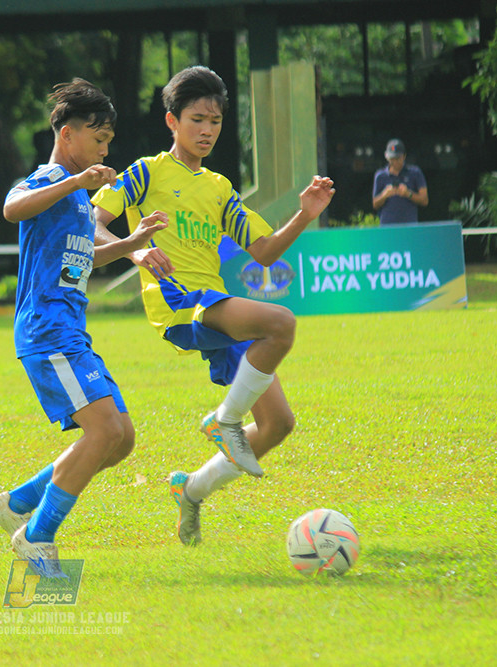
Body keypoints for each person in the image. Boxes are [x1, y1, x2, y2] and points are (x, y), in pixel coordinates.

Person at [90, 66, 335, 546]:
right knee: (280, 323)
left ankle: (192, 490)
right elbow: (93, 223)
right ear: (172, 121)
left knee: (277, 424)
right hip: (181, 302)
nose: (207, 130)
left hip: (214, 304)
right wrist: (135, 248)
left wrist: (304, 216)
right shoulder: (147, 171)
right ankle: (224, 420)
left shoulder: (220, 188)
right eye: (197, 119)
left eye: (216, 121)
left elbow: (263, 251)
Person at [0, 79, 169, 577]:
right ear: (67, 135)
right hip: (47, 332)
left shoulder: (76, 197)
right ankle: (37, 535)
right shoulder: (49, 179)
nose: (105, 150)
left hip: (70, 331)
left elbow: (83, 257)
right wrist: (75, 182)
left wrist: (134, 241)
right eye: (98, 138)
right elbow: (11, 207)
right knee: (106, 429)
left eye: (109, 141)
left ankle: (20, 502)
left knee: (121, 438)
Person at [372, 139, 428, 225]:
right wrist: (385, 194)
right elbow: (375, 204)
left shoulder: (415, 173)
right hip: (387, 227)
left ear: (404, 156)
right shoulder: (380, 176)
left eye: (397, 158)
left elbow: (424, 201)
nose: (395, 162)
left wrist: (408, 194)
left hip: (409, 226)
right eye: (392, 159)